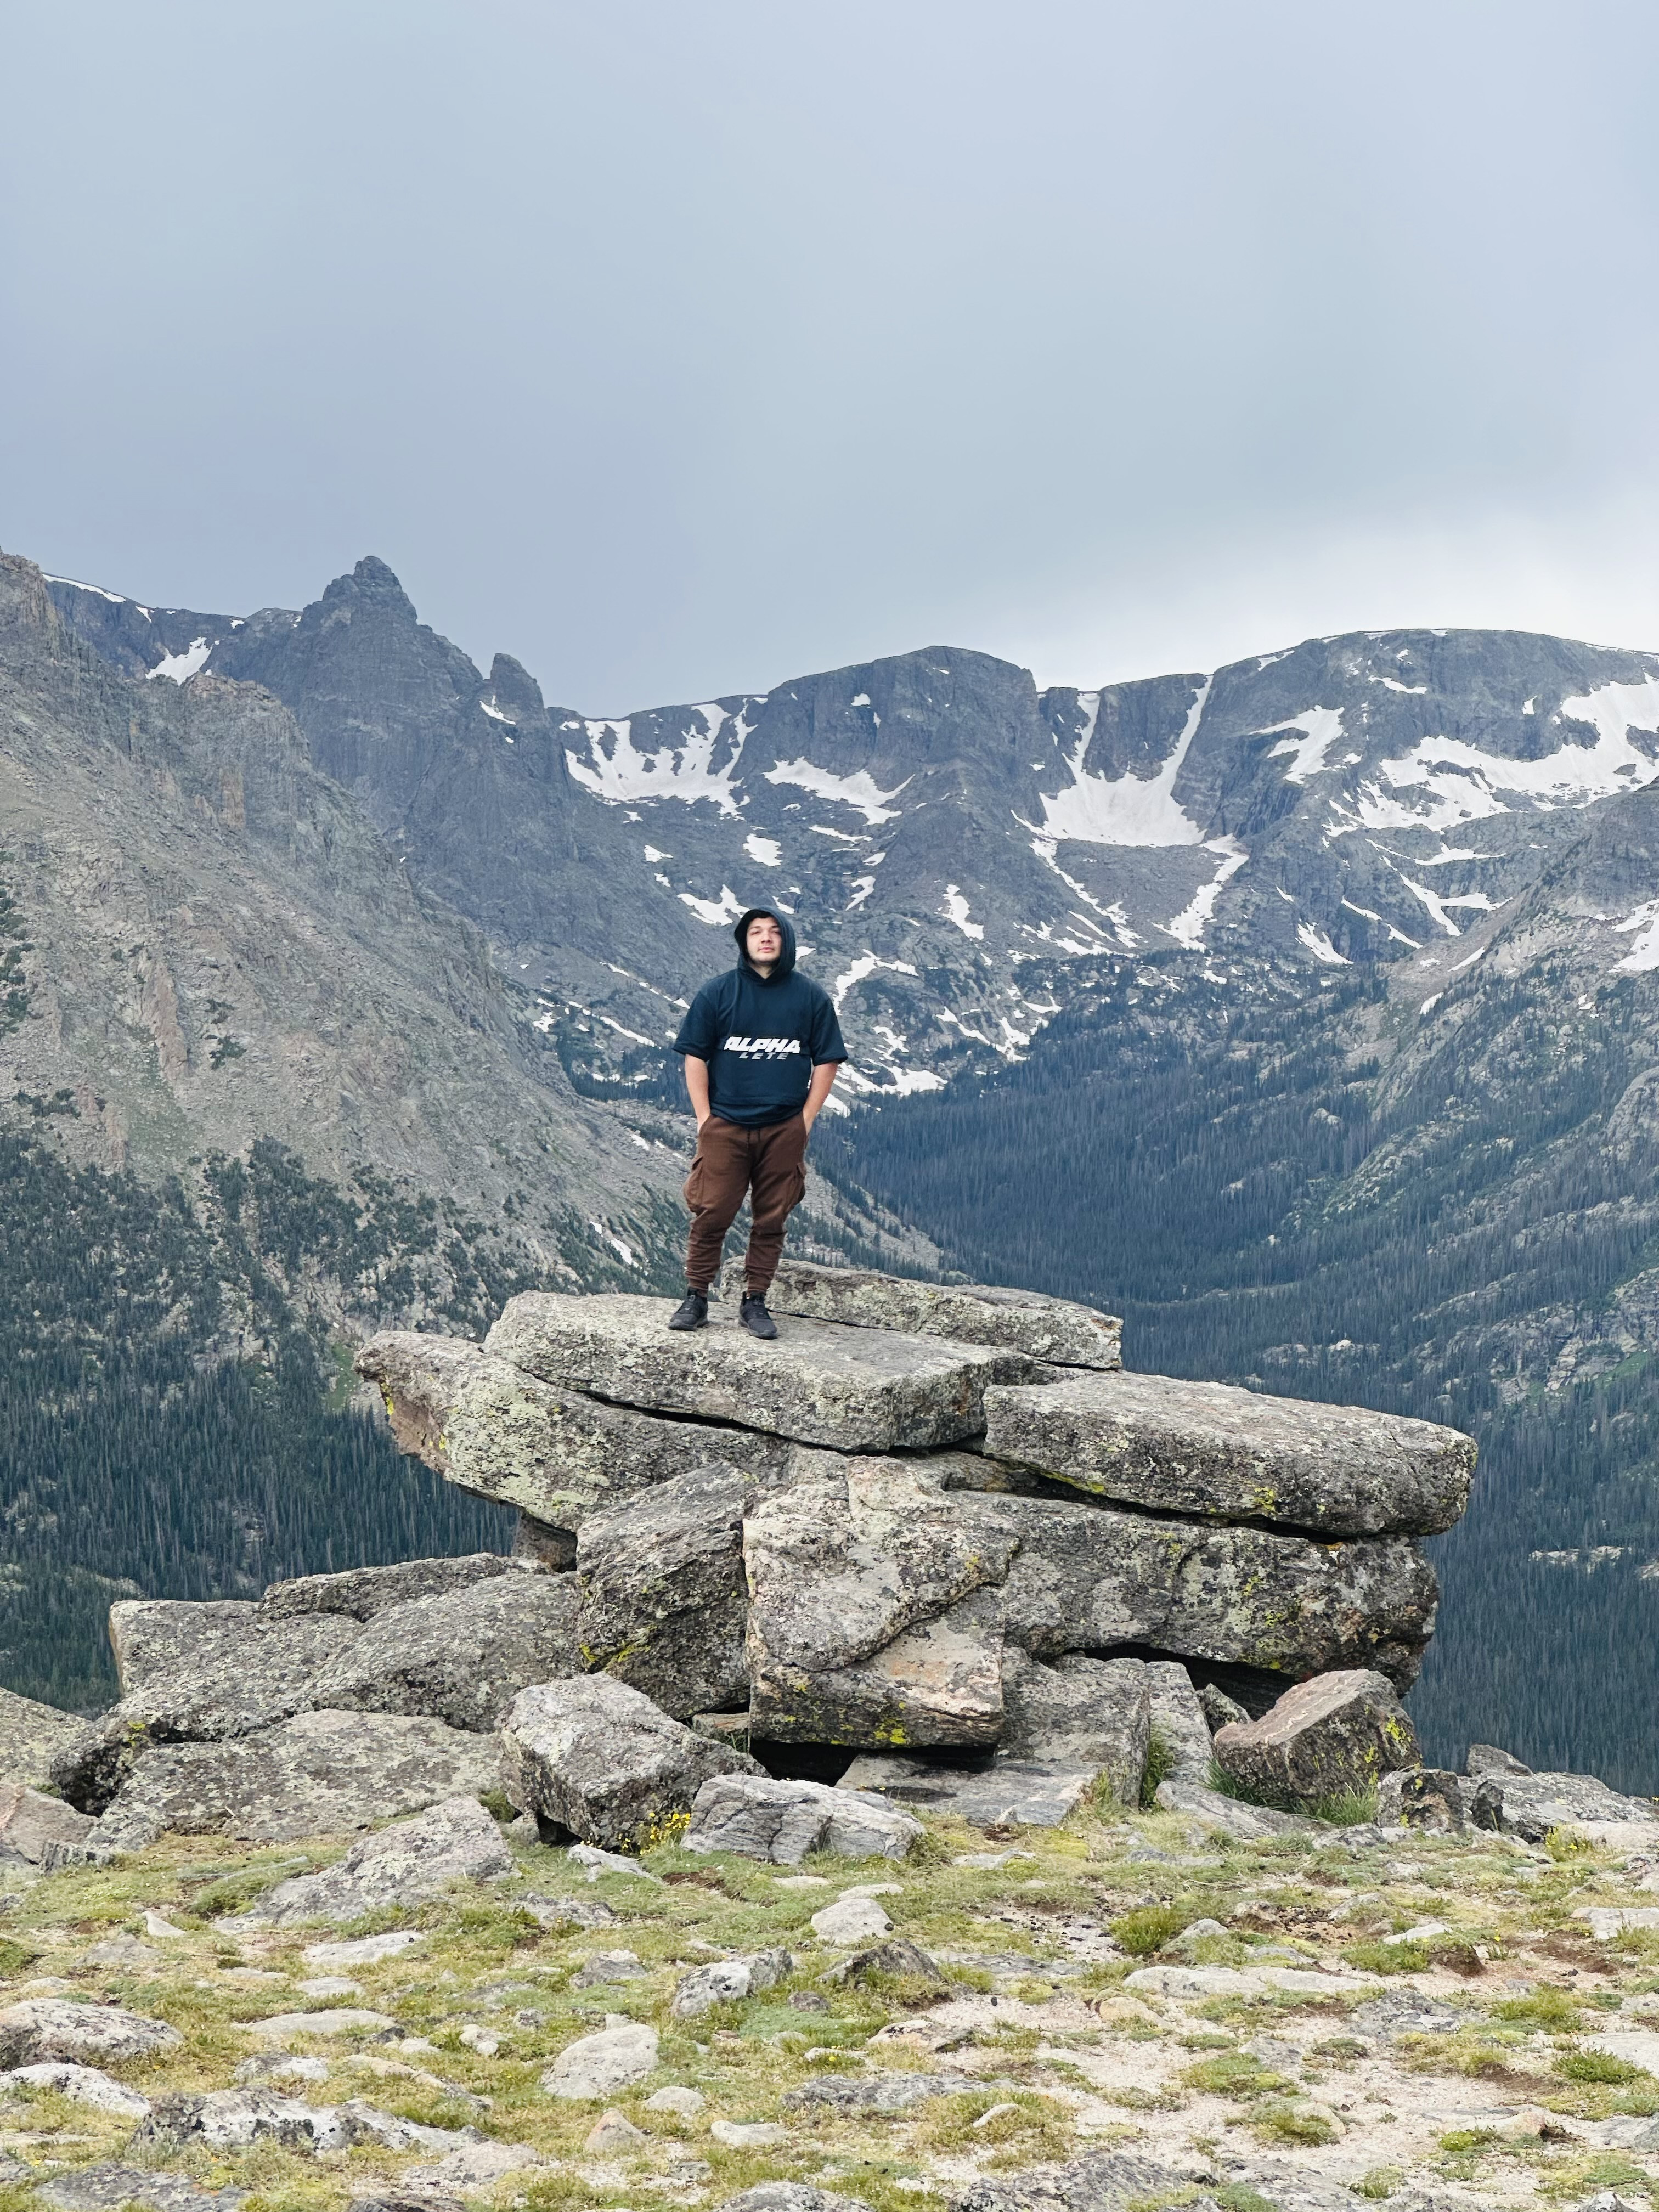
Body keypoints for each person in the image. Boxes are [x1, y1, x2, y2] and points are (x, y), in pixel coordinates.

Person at [668, 904, 847, 1336]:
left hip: (784, 1127)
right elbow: (695, 1056)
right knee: (711, 1212)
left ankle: (755, 1301)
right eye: (755, 932)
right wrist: (705, 1118)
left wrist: (805, 1119)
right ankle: (696, 1297)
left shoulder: (810, 997)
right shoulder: (718, 993)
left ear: (786, 940)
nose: (765, 938)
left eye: (774, 931)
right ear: (744, 941)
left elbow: (827, 1060)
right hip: (726, 1124)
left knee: (771, 1218)